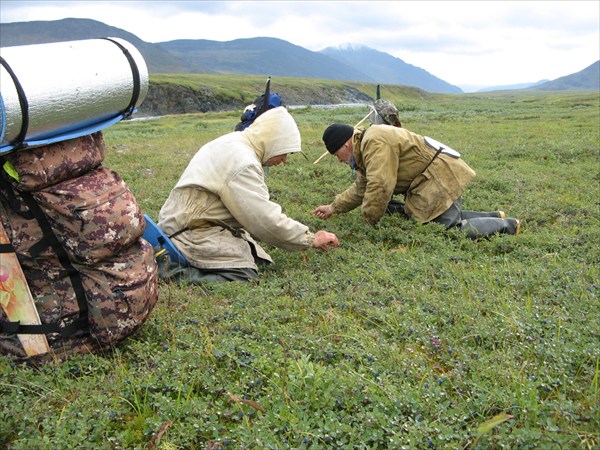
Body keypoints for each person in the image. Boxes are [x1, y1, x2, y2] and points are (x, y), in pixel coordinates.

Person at [157, 106, 340, 283]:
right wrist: (309, 238)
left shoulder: (233, 143)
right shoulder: (243, 162)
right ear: (274, 142)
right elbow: (262, 219)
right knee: (243, 273)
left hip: (184, 223)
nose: (284, 161)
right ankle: (169, 271)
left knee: (255, 256)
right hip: (188, 232)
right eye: (285, 152)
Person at [311, 123, 520, 239]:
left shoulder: (373, 142)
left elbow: (380, 185)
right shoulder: (365, 145)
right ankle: (494, 216)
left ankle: (507, 226)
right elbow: (362, 188)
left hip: (437, 177)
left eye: (336, 154)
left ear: (345, 146)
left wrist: (369, 223)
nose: (338, 160)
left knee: (445, 231)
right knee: (435, 219)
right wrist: (334, 207)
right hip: (429, 179)